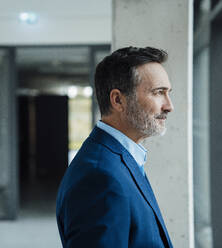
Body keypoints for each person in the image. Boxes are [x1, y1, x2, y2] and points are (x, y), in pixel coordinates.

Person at [56, 46, 174, 248]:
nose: (168, 105)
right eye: (158, 93)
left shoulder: (119, 159)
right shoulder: (99, 176)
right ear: (118, 100)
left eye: (167, 93)